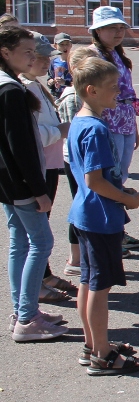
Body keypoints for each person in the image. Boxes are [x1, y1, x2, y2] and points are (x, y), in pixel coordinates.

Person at [68, 56, 139, 372]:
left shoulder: (80, 120)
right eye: (113, 87)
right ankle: (102, 354)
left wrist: (123, 193)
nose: (119, 91)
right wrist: (127, 201)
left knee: (88, 282)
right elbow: (95, 180)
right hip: (100, 217)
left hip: (86, 214)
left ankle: (93, 344)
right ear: (92, 90)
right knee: (100, 288)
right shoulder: (96, 129)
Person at [0, 24, 68, 342]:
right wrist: (39, 191)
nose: (33, 57)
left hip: (8, 182)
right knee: (40, 243)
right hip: (22, 183)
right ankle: (27, 319)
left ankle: (24, 311)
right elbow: (22, 147)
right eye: (27, 51)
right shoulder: (11, 90)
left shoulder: (8, 84)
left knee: (20, 243)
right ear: (6, 53)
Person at [21, 32, 78, 301]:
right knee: (35, 233)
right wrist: (59, 131)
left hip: (49, 164)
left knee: (41, 227)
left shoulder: (37, 85)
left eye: (47, 57)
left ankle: (43, 275)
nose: (45, 61)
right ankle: (35, 286)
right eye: (38, 56)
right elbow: (28, 134)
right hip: (39, 165)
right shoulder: (22, 88)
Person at [88, 6, 139, 250]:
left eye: (121, 27)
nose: (119, 31)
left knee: (120, 177)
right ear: (98, 30)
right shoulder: (92, 56)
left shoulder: (117, 54)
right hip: (108, 123)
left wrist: (135, 126)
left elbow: (128, 93)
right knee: (109, 179)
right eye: (113, 27)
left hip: (125, 121)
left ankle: (117, 229)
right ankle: (110, 234)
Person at [57, 47, 95, 279]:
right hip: (76, 161)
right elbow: (74, 133)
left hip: (82, 160)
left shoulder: (83, 95)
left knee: (84, 206)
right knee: (80, 207)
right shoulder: (73, 98)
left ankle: (82, 254)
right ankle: (75, 258)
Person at [47, 32, 73, 98]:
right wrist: (50, 82)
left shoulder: (75, 62)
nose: (65, 47)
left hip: (71, 95)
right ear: (55, 46)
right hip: (57, 96)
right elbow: (50, 78)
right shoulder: (53, 62)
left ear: (71, 45)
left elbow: (80, 83)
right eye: (61, 44)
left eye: (67, 44)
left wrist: (65, 82)